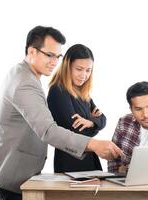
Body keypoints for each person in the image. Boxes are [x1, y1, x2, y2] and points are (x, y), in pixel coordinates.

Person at [0, 26, 123, 200]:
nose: (55, 62)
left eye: (58, 56)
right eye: (49, 55)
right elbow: (49, 131)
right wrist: (94, 144)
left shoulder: (23, 74)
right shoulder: (25, 83)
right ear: (32, 51)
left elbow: (99, 118)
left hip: (15, 168)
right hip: (13, 172)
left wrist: (94, 122)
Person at [47, 44, 105, 173]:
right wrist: (95, 125)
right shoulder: (58, 90)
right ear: (67, 67)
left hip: (89, 157)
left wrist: (90, 122)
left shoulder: (83, 93)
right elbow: (76, 130)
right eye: (79, 69)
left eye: (88, 70)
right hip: (70, 161)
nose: (84, 75)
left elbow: (103, 119)